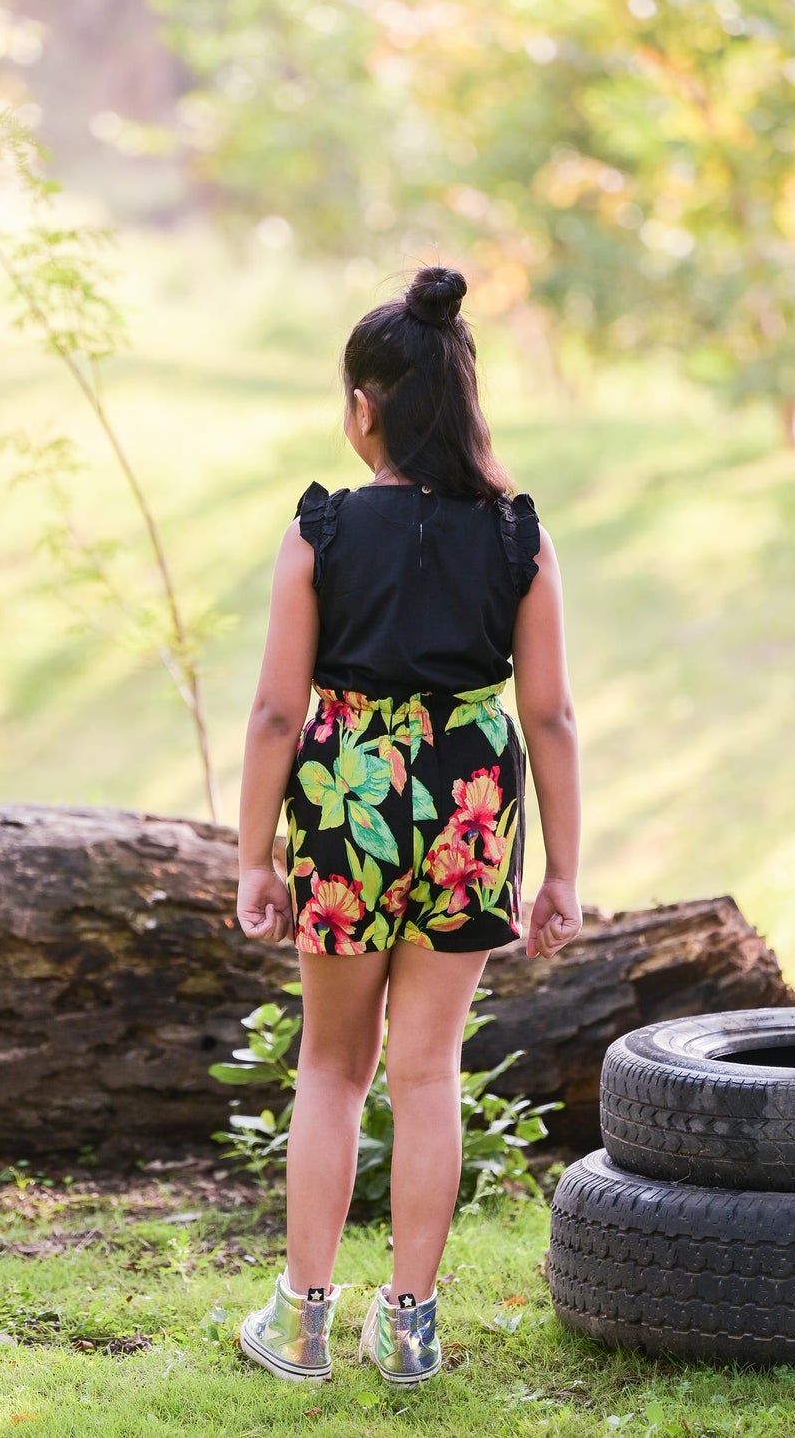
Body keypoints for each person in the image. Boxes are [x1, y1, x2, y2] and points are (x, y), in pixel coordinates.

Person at [233, 263, 583, 1386]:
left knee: (331, 1067)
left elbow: (277, 709)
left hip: (346, 796)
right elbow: (551, 717)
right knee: (425, 1069)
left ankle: (301, 1322)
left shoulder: (323, 528)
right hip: (471, 805)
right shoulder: (518, 535)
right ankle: (413, 1325)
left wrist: (253, 853)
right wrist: (561, 871)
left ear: (364, 407)